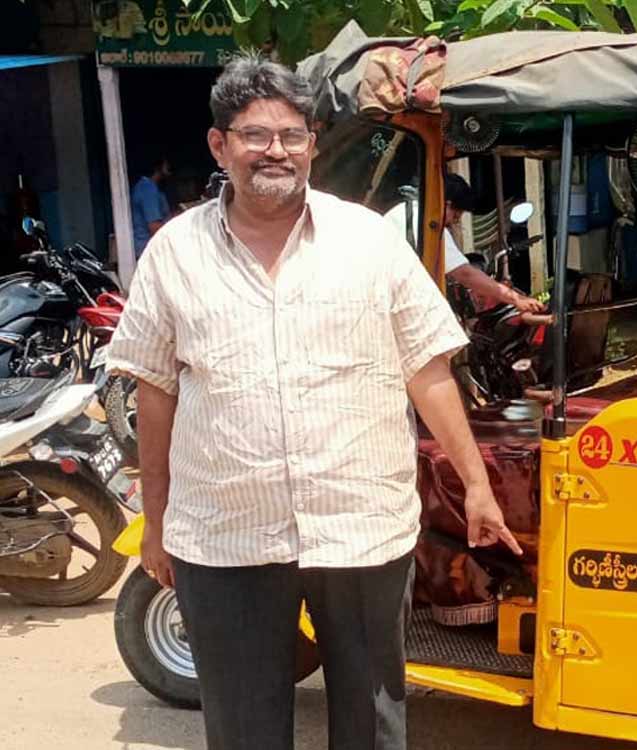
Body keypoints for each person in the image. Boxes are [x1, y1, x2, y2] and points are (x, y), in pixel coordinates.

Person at [108, 54, 521, 750]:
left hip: (359, 526)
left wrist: (477, 486)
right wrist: (156, 518)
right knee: (244, 729)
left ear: (313, 144)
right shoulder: (174, 253)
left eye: (293, 135)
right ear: (220, 145)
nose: (277, 150)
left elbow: (428, 369)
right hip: (227, 532)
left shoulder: (370, 243)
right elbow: (156, 391)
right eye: (255, 134)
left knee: (372, 722)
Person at [384, 173, 543, 313]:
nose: (455, 221)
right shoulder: (426, 222)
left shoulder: (404, 211)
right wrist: (516, 299)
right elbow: (464, 274)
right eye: (456, 214)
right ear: (446, 204)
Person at [130, 156, 172, 258]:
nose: (169, 168)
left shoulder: (150, 188)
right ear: (158, 167)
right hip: (149, 252)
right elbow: (154, 226)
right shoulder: (148, 189)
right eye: (167, 166)